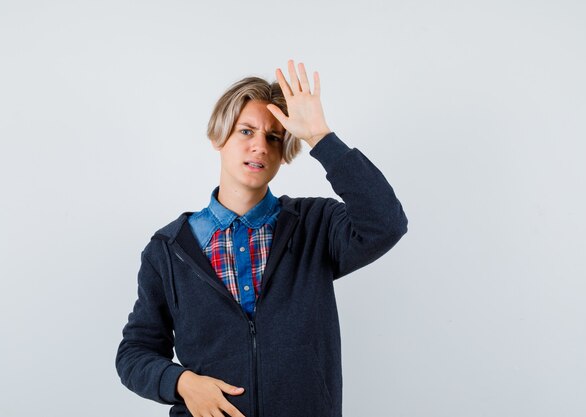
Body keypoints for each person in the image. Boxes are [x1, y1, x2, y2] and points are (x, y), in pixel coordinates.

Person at [116, 60, 408, 417]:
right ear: (217, 137)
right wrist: (181, 382)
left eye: (273, 137)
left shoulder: (315, 225)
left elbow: (386, 222)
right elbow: (135, 353)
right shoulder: (169, 249)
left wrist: (320, 136)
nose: (260, 147)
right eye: (245, 132)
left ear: (284, 152)